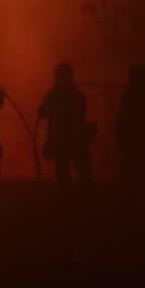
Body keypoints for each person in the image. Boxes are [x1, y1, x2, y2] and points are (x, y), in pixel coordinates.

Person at [38, 62, 93, 191]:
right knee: (79, 171)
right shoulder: (77, 96)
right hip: (73, 139)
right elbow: (42, 112)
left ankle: (70, 199)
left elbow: (41, 112)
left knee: (67, 171)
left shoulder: (53, 96)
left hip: (64, 139)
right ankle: (79, 199)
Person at [115, 63, 145, 191]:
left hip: (136, 138)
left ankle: (131, 199)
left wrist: (120, 134)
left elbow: (122, 117)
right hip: (142, 139)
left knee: (132, 171)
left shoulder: (129, 96)